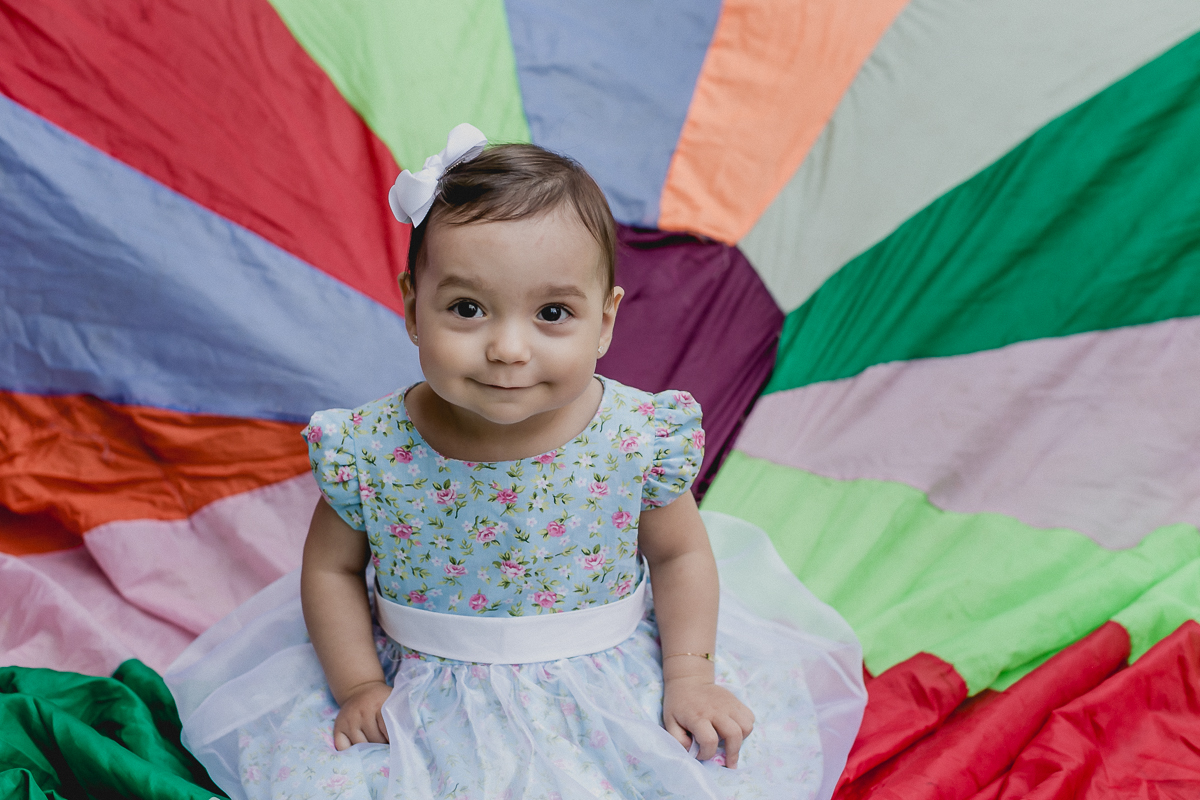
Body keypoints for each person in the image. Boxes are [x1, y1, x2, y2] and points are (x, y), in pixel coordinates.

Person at [167, 124, 867, 800]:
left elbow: (680, 557)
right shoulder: (370, 448)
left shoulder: (632, 437)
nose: (508, 347)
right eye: (468, 308)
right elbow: (331, 568)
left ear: (606, 320)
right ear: (414, 309)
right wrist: (357, 688)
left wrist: (689, 676)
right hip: (425, 685)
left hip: (605, 680)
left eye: (553, 314)